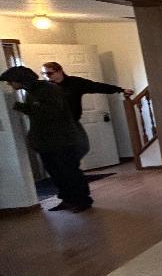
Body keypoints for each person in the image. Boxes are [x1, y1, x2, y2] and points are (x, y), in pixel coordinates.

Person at [0, 65, 92, 212]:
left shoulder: (49, 89)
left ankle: (83, 201)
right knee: (56, 173)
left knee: (69, 172)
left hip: (62, 140)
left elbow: (52, 113)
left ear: (20, 80)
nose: (10, 85)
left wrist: (24, 108)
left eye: (10, 81)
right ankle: (67, 200)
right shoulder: (31, 92)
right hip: (46, 142)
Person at [40, 62, 133, 161]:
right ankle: (68, 169)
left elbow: (96, 86)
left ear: (59, 71)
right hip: (54, 125)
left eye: (49, 73)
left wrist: (120, 90)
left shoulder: (74, 83)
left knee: (83, 147)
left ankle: (71, 167)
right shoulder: (45, 87)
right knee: (62, 149)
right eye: (43, 74)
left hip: (72, 122)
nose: (46, 76)